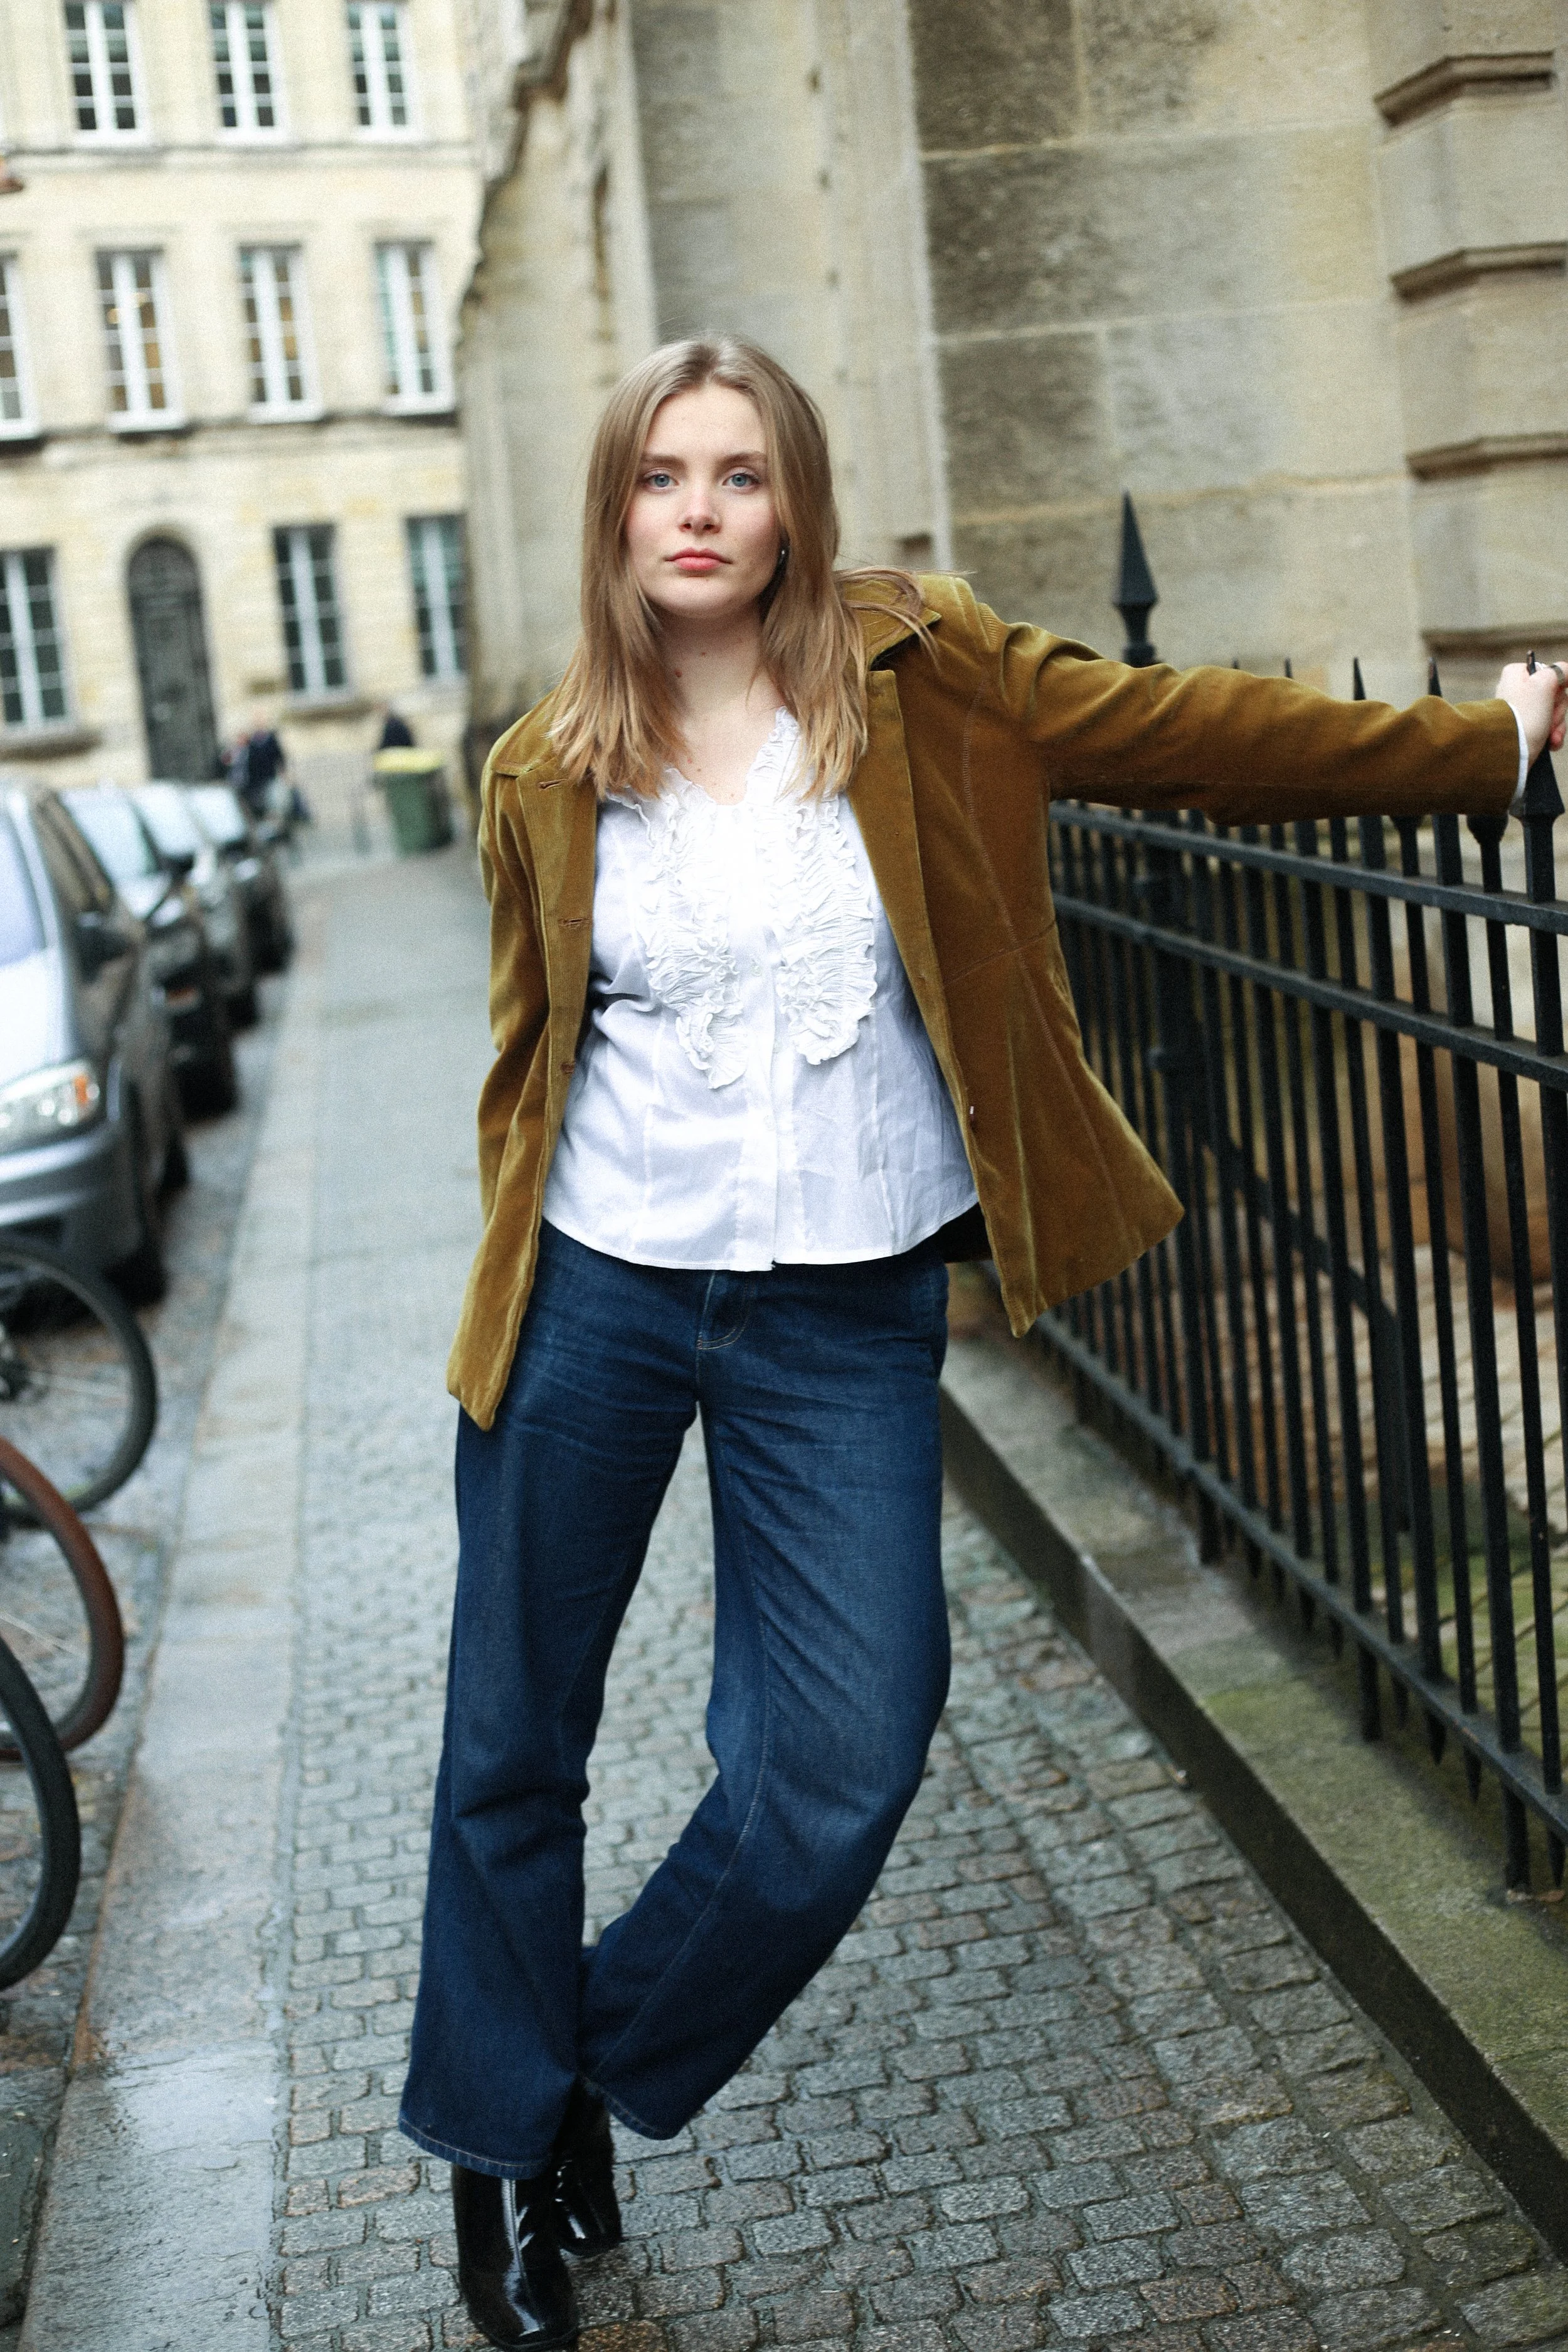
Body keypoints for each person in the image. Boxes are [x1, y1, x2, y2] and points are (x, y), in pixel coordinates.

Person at [399, 336, 1566, 2351]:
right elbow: (530, 1061)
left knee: (839, 1762)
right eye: (661, 475)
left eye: (739, 474)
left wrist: (1489, 750)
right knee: (516, 1739)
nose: (698, 508)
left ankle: (574, 2063)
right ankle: (498, 2154)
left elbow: (1181, 726)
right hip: (596, 1284)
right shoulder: (538, 769)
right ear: (613, 513)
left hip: (837, 1303)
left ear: (793, 502)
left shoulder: (921, 677)